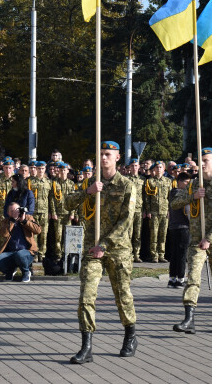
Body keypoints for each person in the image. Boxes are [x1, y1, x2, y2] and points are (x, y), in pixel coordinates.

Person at [65, 141, 138, 364]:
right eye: (100, 154)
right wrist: (87, 191)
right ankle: (86, 346)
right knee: (86, 296)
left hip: (117, 249)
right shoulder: (90, 183)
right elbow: (67, 204)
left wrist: (104, 245)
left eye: (107, 154)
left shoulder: (126, 185)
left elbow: (126, 221)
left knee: (122, 295)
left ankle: (130, 335)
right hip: (91, 247)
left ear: (117, 158)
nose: (103, 158)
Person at [172, 147, 212, 334]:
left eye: (207, 160)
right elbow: (174, 204)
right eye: (201, 160)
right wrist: (192, 197)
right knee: (193, 277)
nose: (204, 163)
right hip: (197, 240)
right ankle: (189, 318)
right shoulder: (193, 185)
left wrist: (210, 238)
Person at [0, 202, 40, 282]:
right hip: (10, 252)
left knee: (20, 254)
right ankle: (10, 271)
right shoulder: (6, 221)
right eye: (12, 211)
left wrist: (24, 221)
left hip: (26, 252)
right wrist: (12, 221)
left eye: (16, 210)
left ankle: (26, 272)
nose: (15, 212)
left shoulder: (28, 217)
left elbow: (38, 230)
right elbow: (4, 234)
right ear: (8, 213)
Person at [144, 160, 171, 262]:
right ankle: (154, 255)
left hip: (164, 211)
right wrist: (148, 210)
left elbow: (170, 197)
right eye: (157, 167)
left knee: (163, 235)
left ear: (164, 169)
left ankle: (161, 255)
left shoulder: (168, 181)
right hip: (154, 212)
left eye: (160, 167)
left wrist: (169, 210)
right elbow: (147, 198)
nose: (159, 169)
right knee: (154, 234)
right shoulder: (150, 181)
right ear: (154, 169)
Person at [167, 172, 191, 288]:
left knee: (175, 253)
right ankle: (180, 279)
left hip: (173, 226)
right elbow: (188, 212)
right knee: (182, 254)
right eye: (186, 182)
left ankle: (172, 278)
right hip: (183, 227)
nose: (188, 184)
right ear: (180, 182)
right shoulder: (182, 194)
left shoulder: (172, 193)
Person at [50, 162, 76, 259]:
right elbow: (52, 199)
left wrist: (72, 213)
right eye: (61, 170)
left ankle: (67, 255)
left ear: (67, 171)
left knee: (67, 236)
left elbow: (74, 199)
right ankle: (58, 255)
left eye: (64, 170)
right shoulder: (55, 183)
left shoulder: (71, 184)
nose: (62, 172)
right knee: (58, 236)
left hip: (67, 214)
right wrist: (53, 212)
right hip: (58, 213)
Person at [27, 161, 51, 261]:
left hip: (45, 211)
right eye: (38, 169)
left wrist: (50, 211)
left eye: (42, 169)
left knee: (44, 234)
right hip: (34, 211)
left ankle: (42, 254)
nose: (40, 171)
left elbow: (51, 198)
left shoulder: (48, 182)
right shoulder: (30, 181)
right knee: (33, 233)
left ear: (45, 169)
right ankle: (34, 253)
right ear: (35, 169)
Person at [0, 158, 15, 252]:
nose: (8, 170)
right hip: (2, 212)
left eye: (10, 168)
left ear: (13, 168)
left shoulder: (17, 179)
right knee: (2, 235)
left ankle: (13, 253)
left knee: (14, 234)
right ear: (3, 168)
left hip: (14, 213)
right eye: (6, 168)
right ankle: (2, 254)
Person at [125, 158, 145, 262]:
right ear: (129, 167)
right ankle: (128, 254)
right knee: (128, 233)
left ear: (138, 167)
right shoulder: (126, 179)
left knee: (137, 233)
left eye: (136, 166)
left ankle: (136, 254)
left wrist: (145, 210)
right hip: (128, 210)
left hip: (139, 209)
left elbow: (145, 196)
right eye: (132, 166)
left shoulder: (142, 180)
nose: (134, 168)